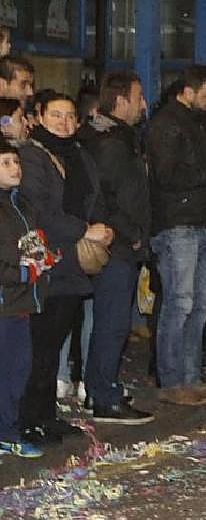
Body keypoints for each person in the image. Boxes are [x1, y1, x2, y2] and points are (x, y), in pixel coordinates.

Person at [146, 65, 206, 406]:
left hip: (198, 223)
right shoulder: (167, 124)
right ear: (186, 92)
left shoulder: (193, 124)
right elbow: (167, 176)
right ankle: (172, 380)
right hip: (178, 224)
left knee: (199, 305)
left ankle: (190, 377)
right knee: (180, 303)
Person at [17, 90, 112, 445]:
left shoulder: (79, 154)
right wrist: (84, 229)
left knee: (54, 344)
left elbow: (95, 199)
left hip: (73, 263)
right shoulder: (32, 156)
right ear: (40, 117)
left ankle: (46, 415)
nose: (64, 122)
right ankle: (28, 419)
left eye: (70, 115)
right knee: (39, 346)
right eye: (56, 115)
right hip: (48, 262)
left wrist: (104, 227)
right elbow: (38, 209)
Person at [79, 72, 154, 424]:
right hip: (117, 246)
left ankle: (101, 387)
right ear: (120, 101)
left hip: (122, 242)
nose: (144, 105)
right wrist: (131, 232)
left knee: (111, 321)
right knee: (112, 322)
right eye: (138, 97)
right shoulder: (111, 145)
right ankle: (103, 395)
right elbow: (106, 197)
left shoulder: (120, 140)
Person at [0, 137, 58, 458]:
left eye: (16, 162)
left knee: (19, 369)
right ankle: (7, 432)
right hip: (6, 301)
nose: (15, 168)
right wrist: (22, 273)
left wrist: (45, 259)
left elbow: (31, 245)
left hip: (23, 301)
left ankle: (7, 429)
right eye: (5, 163)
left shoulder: (22, 204)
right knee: (9, 371)